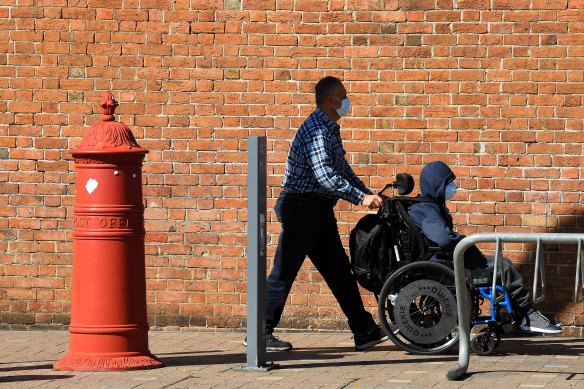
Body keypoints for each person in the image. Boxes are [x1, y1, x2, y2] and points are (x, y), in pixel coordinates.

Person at [245, 76, 388, 351]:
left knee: (339, 272)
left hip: (318, 209)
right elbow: (325, 177)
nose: (347, 102)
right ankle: (259, 334)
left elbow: (342, 170)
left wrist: (371, 194)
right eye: (343, 97)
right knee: (284, 271)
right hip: (302, 207)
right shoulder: (316, 131)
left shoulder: (329, 129)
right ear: (330, 101)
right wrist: (361, 198)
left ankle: (364, 329)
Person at [408, 161, 562, 334]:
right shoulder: (426, 209)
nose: (452, 187)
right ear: (437, 185)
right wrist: (462, 240)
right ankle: (528, 315)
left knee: (504, 263)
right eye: (448, 183)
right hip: (445, 264)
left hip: (449, 260)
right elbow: (443, 238)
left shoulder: (430, 206)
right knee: (503, 269)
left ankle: (513, 318)